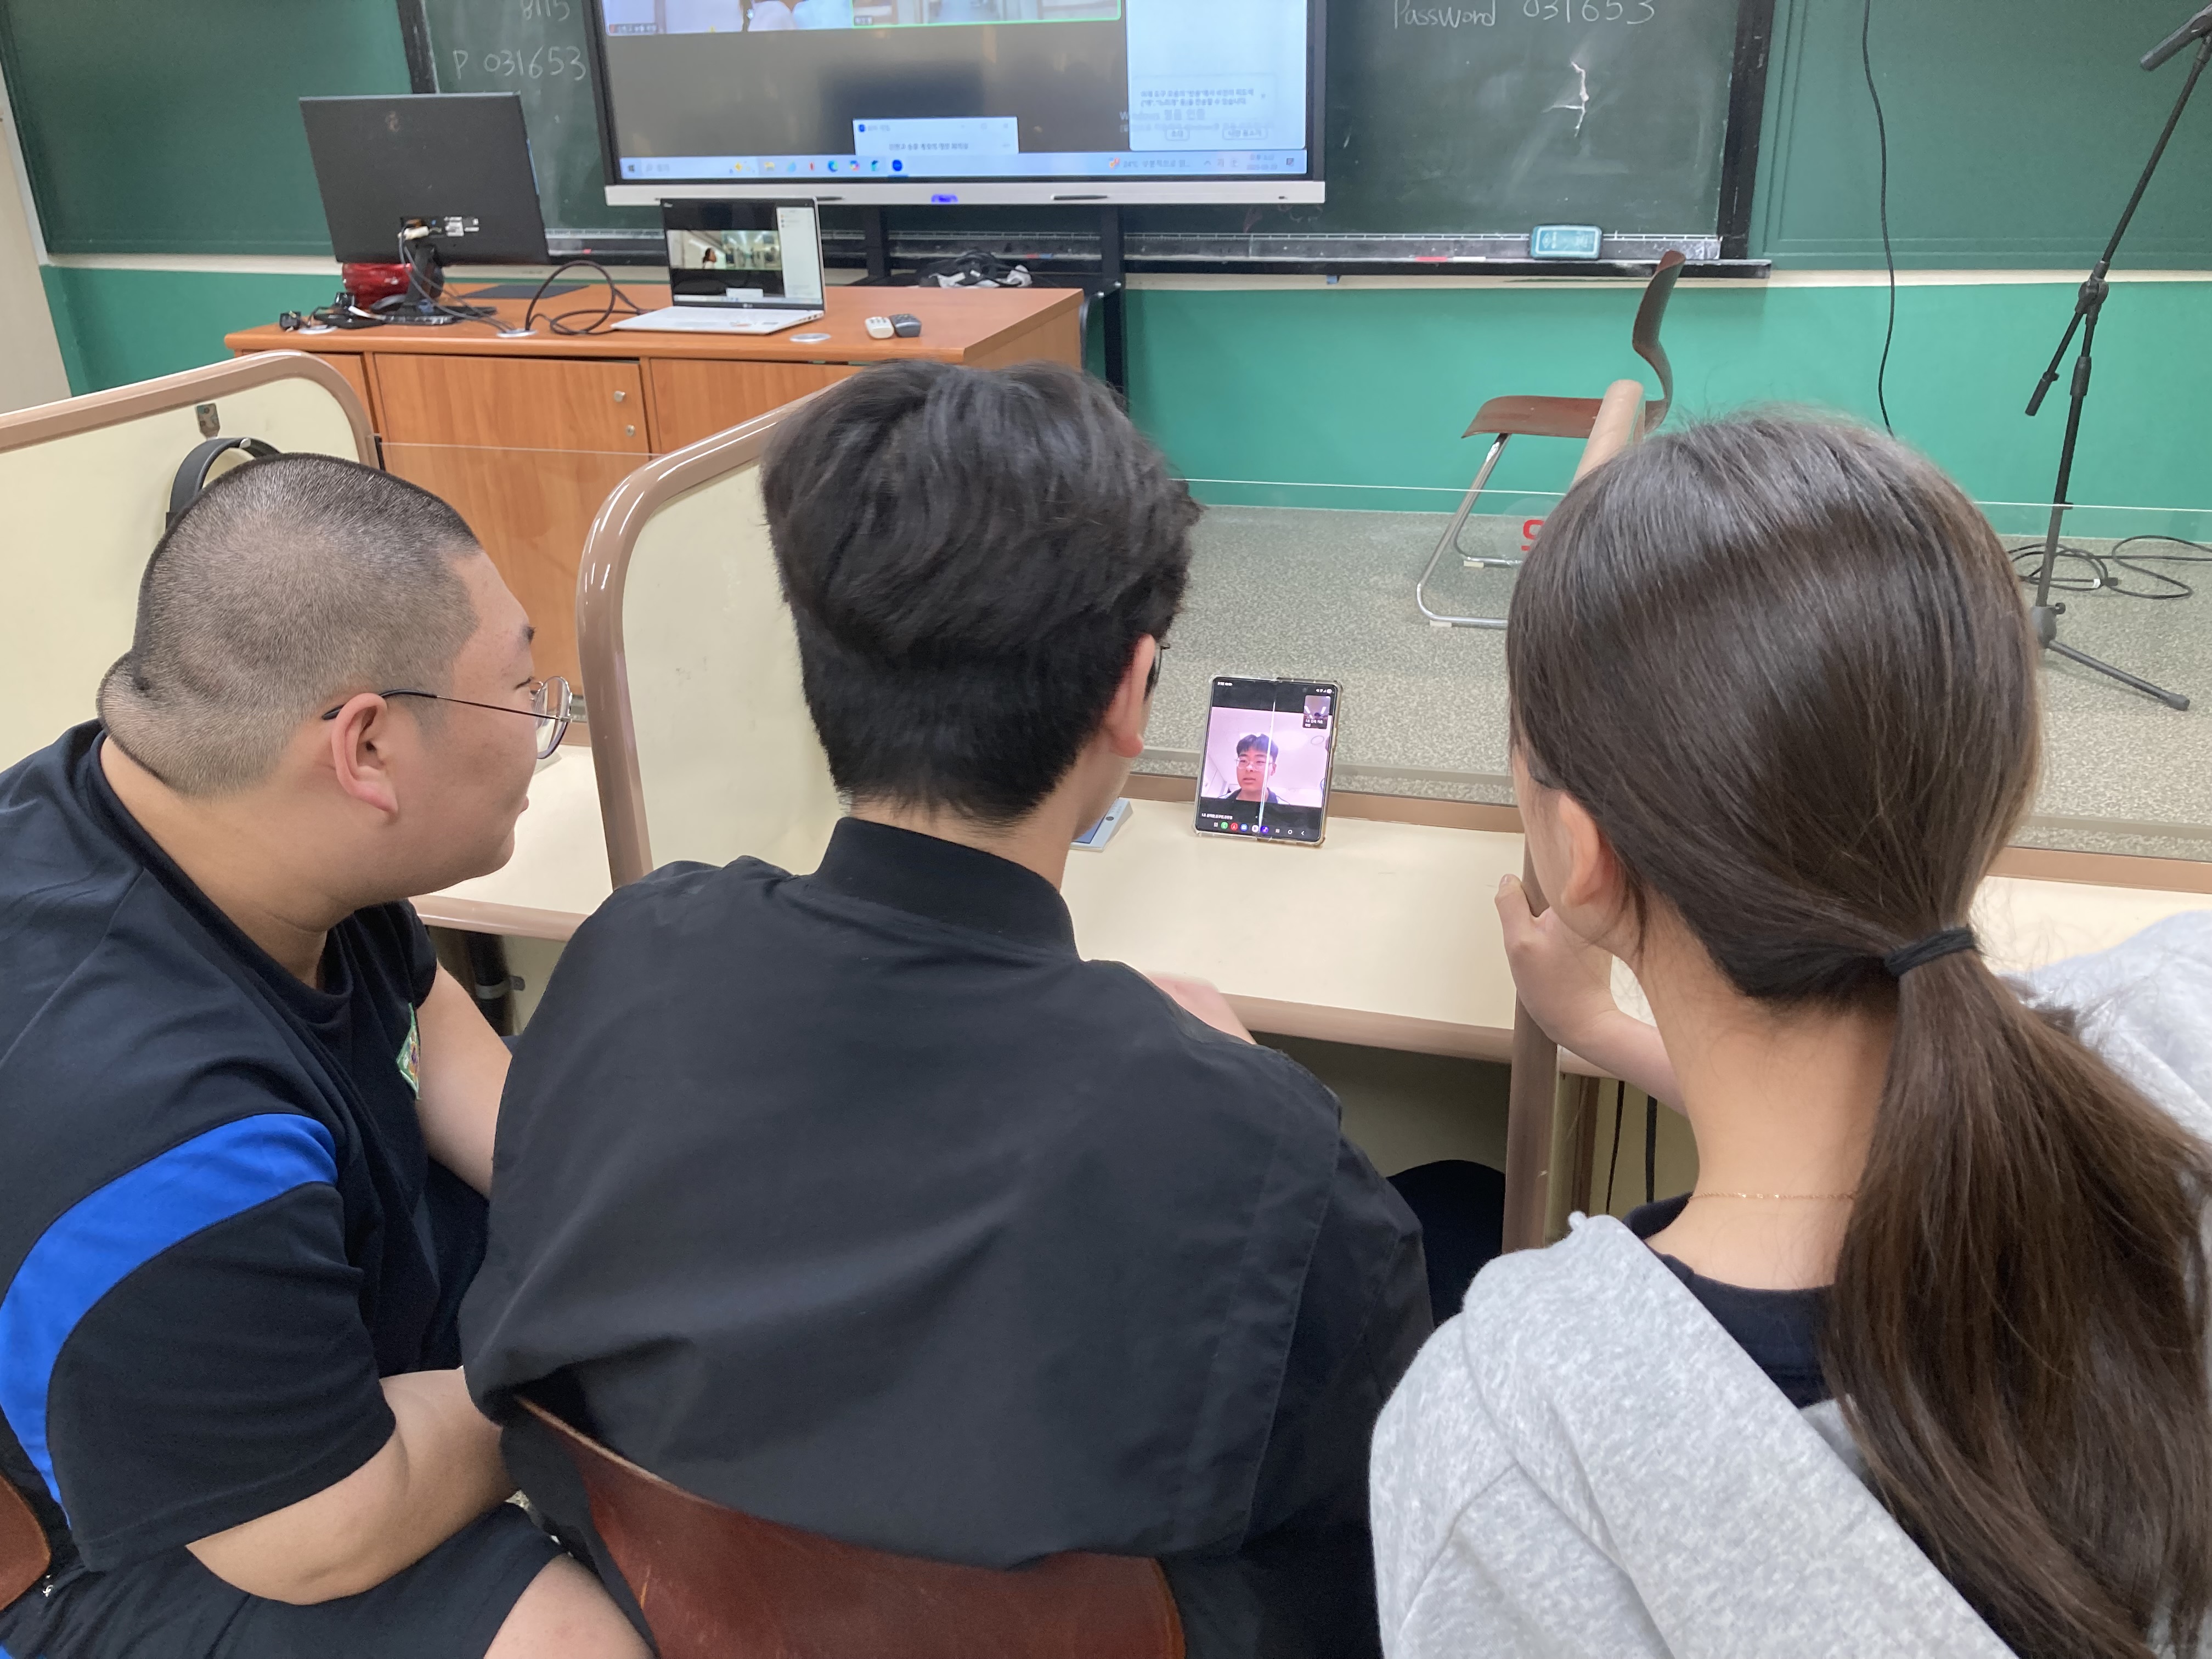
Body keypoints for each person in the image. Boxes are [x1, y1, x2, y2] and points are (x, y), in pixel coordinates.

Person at [462, 361, 1432, 1659]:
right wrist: (1237, 1101)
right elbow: (1389, 1542)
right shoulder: (1263, 1154)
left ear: (817, 667)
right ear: (1131, 691)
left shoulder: (625, 962)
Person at [1370, 416, 2212, 1659]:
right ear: (2000, 770)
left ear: (1582, 853)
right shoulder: (2179, 1016)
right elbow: (1917, 1085)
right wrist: (1603, 1030)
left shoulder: (1502, 1442)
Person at [0, 456, 645, 1659]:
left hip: (279, 1338)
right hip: (145, 1540)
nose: (540, 726)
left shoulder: (208, 813)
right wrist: (601, 1350)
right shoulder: (154, 1127)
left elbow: (427, 1023)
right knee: (579, 1638)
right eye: (523, 692)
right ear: (367, 749)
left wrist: (626, 1220)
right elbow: (328, 1527)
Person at [1229, 732, 1280, 803]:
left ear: (1273, 769)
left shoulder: (1285, 808)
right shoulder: (1219, 803)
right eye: (1243, 761)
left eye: (1260, 762)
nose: (1249, 768)